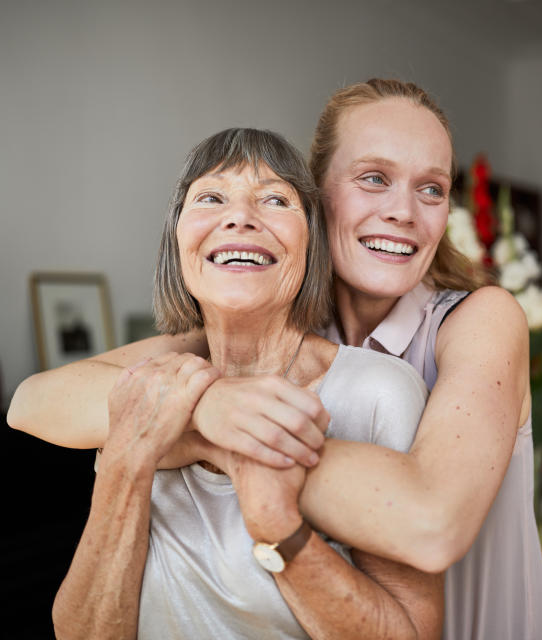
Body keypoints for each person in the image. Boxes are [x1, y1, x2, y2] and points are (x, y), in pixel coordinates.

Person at [9, 79, 542, 638]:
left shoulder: (479, 319)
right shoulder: (257, 322)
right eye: (374, 178)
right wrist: (209, 406)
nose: (404, 212)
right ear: (317, 197)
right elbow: (35, 400)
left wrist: (209, 430)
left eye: (432, 189)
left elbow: (431, 525)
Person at [49, 127, 443, 639]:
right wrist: (128, 460)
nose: (239, 218)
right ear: (177, 241)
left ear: (311, 243)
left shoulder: (378, 392)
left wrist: (278, 523)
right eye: (211, 197)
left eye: (274, 199)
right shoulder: (145, 389)